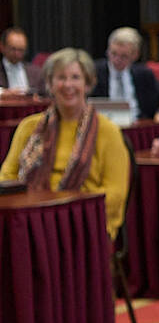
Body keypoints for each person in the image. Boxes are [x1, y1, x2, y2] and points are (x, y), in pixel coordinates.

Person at [1, 48, 131, 238]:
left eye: (76, 77)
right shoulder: (28, 127)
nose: (68, 85)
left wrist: (62, 217)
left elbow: (116, 194)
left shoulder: (108, 132)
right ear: (50, 84)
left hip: (83, 230)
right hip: (29, 225)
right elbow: (6, 177)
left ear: (87, 84)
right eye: (61, 77)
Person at [92, 27, 159, 122]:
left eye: (124, 56)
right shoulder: (94, 72)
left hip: (137, 125)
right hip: (104, 126)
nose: (117, 60)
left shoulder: (143, 74)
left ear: (135, 55)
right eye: (113, 54)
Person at [2, 28, 43, 95]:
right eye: (13, 49)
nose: (17, 54)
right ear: (2, 47)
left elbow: (45, 94)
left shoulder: (36, 71)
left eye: (21, 50)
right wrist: (4, 92)